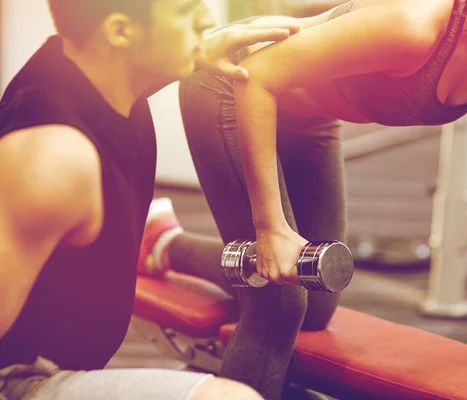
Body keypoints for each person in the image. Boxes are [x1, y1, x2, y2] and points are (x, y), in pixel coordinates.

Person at [137, 0, 467, 398]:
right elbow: (256, 79)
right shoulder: (414, 23)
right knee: (278, 304)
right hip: (232, 90)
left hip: (307, 121)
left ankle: (166, 243)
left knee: (315, 302)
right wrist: (270, 229)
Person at [0, 1, 302, 399]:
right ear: (120, 32)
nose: (209, 20)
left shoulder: (95, 80)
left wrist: (195, 49)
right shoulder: (55, 159)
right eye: (185, 10)